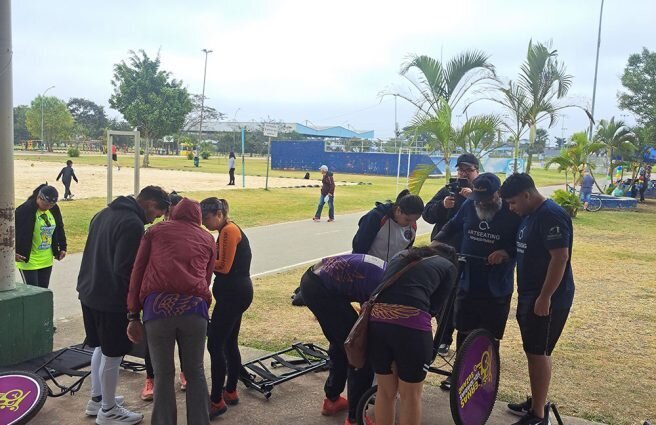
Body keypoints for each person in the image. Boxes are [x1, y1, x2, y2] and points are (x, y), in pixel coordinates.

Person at [77, 185, 170, 424]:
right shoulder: (132, 223)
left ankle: (97, 399)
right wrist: (135, 306)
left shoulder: (103, 213)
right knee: (114, 354)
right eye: (156, 214)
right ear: (150, 204)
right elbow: (126, 268)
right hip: (111, 300)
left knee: (100, 348)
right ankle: (108, 411)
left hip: (89, 292)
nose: (154, 220)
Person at [126, 198, 216, 425]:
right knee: (195, 371)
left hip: (157, 310)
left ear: (174, 213)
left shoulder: (154, 232)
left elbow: (138, 272)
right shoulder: (207, 238)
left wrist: (133, 314)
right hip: (195, 310)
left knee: (163, 374)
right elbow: (206, 278)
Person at [432, 173, 521, 389]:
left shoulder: (513, 211)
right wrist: (436, 242)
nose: (481, 203)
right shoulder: (469, 205)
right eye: (478, 198)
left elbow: (523, 243)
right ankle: (460, 373)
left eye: (486, 198)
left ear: (498, 194)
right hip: (468, 279)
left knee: (489, 334)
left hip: (496, 284)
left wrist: (506, 253)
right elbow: (452, 226)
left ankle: (483, 378)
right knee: (464, 329)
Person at [499, 173, 575, 425]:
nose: (511, 208)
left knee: (537, 352)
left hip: (547, 298)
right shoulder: (530, 214)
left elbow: (560, 257)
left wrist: (545, 296)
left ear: (527, 195)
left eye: (513, 202)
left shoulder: (551, 215)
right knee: (533, 350)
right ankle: (537, 402)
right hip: (530, 294)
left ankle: (538, 416)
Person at [367, 244, 458, 425]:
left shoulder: (401, 255)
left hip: (377, 320)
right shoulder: (448, 267)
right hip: (411, 326)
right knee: (411, 395)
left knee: (385, 391)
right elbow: (435, 307)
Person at [299, 254, 387, 424]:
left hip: (313, 280)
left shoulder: (388, 271)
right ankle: (355, 418)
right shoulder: (386, 286)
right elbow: (369, 321)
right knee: (359, 352)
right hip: (320, 288)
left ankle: (332, 400)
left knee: (341, 344)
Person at [200, 197, 253, 418]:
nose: (204, 223)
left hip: (234, 294)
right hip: (234, 293)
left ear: (219, 214)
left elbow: (223, 266)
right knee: (229, 342)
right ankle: (230, 391)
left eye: (206, 218)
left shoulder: (229, 231)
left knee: (215, 344)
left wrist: (201, 260)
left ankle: (216, 400)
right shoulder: (224, 231)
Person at [421, 152, 479, 355]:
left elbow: (493, 214)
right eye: (461, 169)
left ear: (477, 171)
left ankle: (462, 340)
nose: (464, 174)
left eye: (468, 170)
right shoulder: (448, 189)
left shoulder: (482, 192)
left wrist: (473, 198)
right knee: (440, 294)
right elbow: (427, 214)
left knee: (462, 297)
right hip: (443, 250)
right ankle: (442, 338)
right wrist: (442, 206)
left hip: (469, 253)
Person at [140, 191, 187, 401]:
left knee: (184, 337)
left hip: (182, 296)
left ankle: (185, 372)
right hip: (156, 296)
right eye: (168, 213)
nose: (169, 217)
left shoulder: (191, 233)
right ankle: (150, 378)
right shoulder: (153, 233)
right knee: (153, 340)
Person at [15, 184, 67, 289]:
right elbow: (10, 231)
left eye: (51, 205)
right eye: (46, 204)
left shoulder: (54, 209)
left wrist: (63, 247)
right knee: (32, 293)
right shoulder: (24, 210)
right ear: (39, 198)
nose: (48, 207)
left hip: (46, 260)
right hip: (29, 260)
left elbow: (59, 227)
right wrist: (13, 251)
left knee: (43, 292)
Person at [352, 189, 423, 263]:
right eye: (407, 220)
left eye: (415, 220)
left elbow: (405, 252)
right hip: (369, 265)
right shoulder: (376, 217)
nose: (411, 224)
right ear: (398, 211)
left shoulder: (412, 226)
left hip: (392, 267)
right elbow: (359, 248)